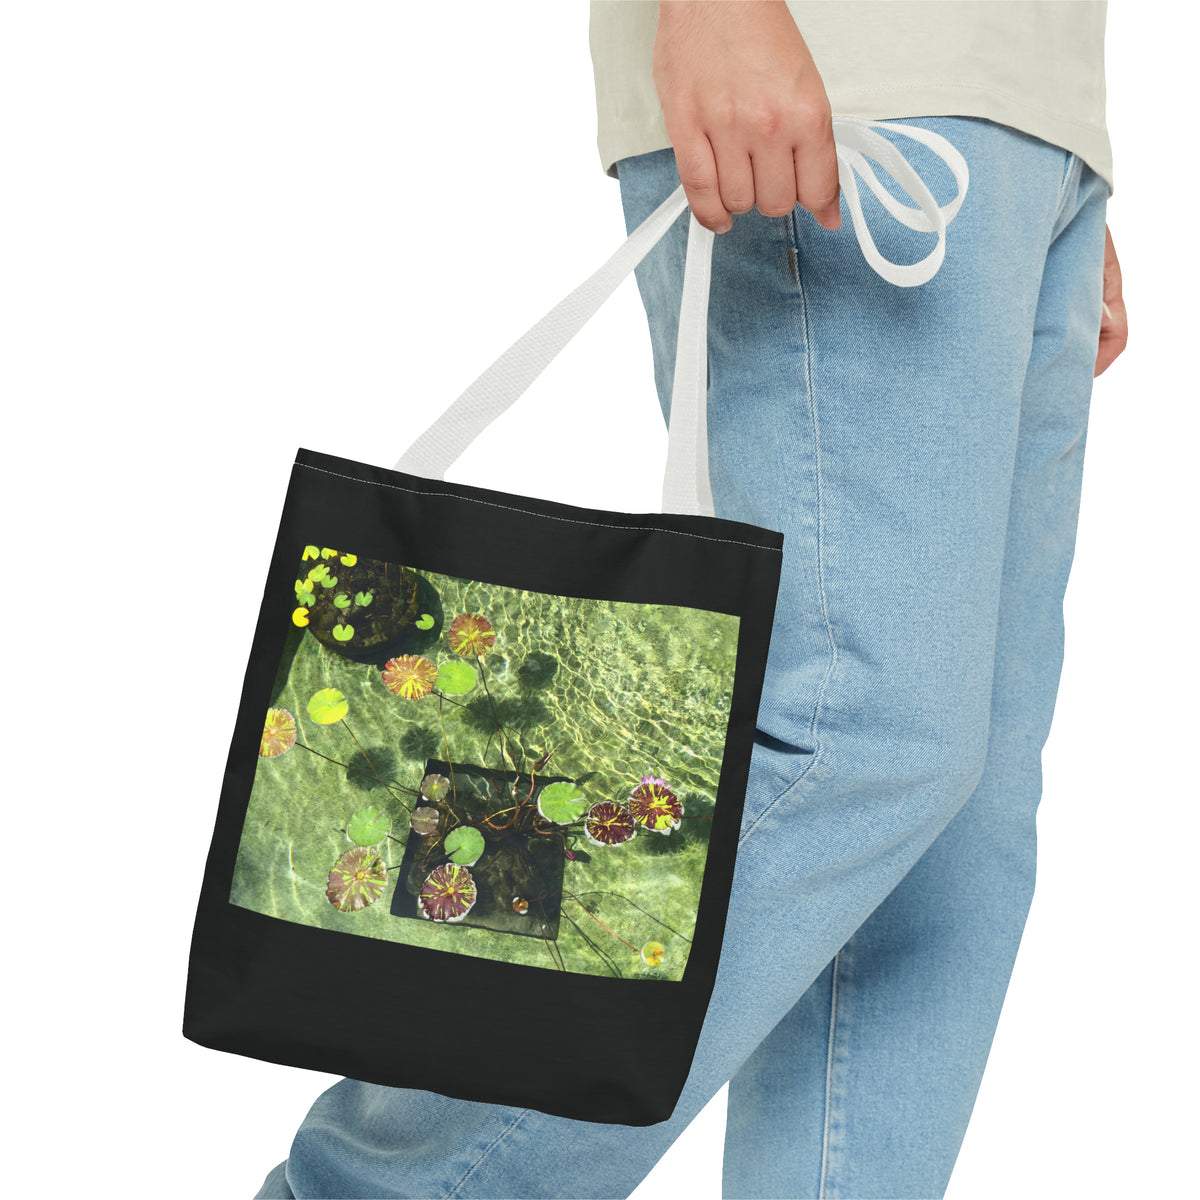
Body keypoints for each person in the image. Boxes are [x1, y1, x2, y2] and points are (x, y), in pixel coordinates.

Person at [254, 3, 1127, 1196]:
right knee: (848, 740)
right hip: (846, 70)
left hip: (1017, 116)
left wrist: (1054, 146)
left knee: (951, 845)